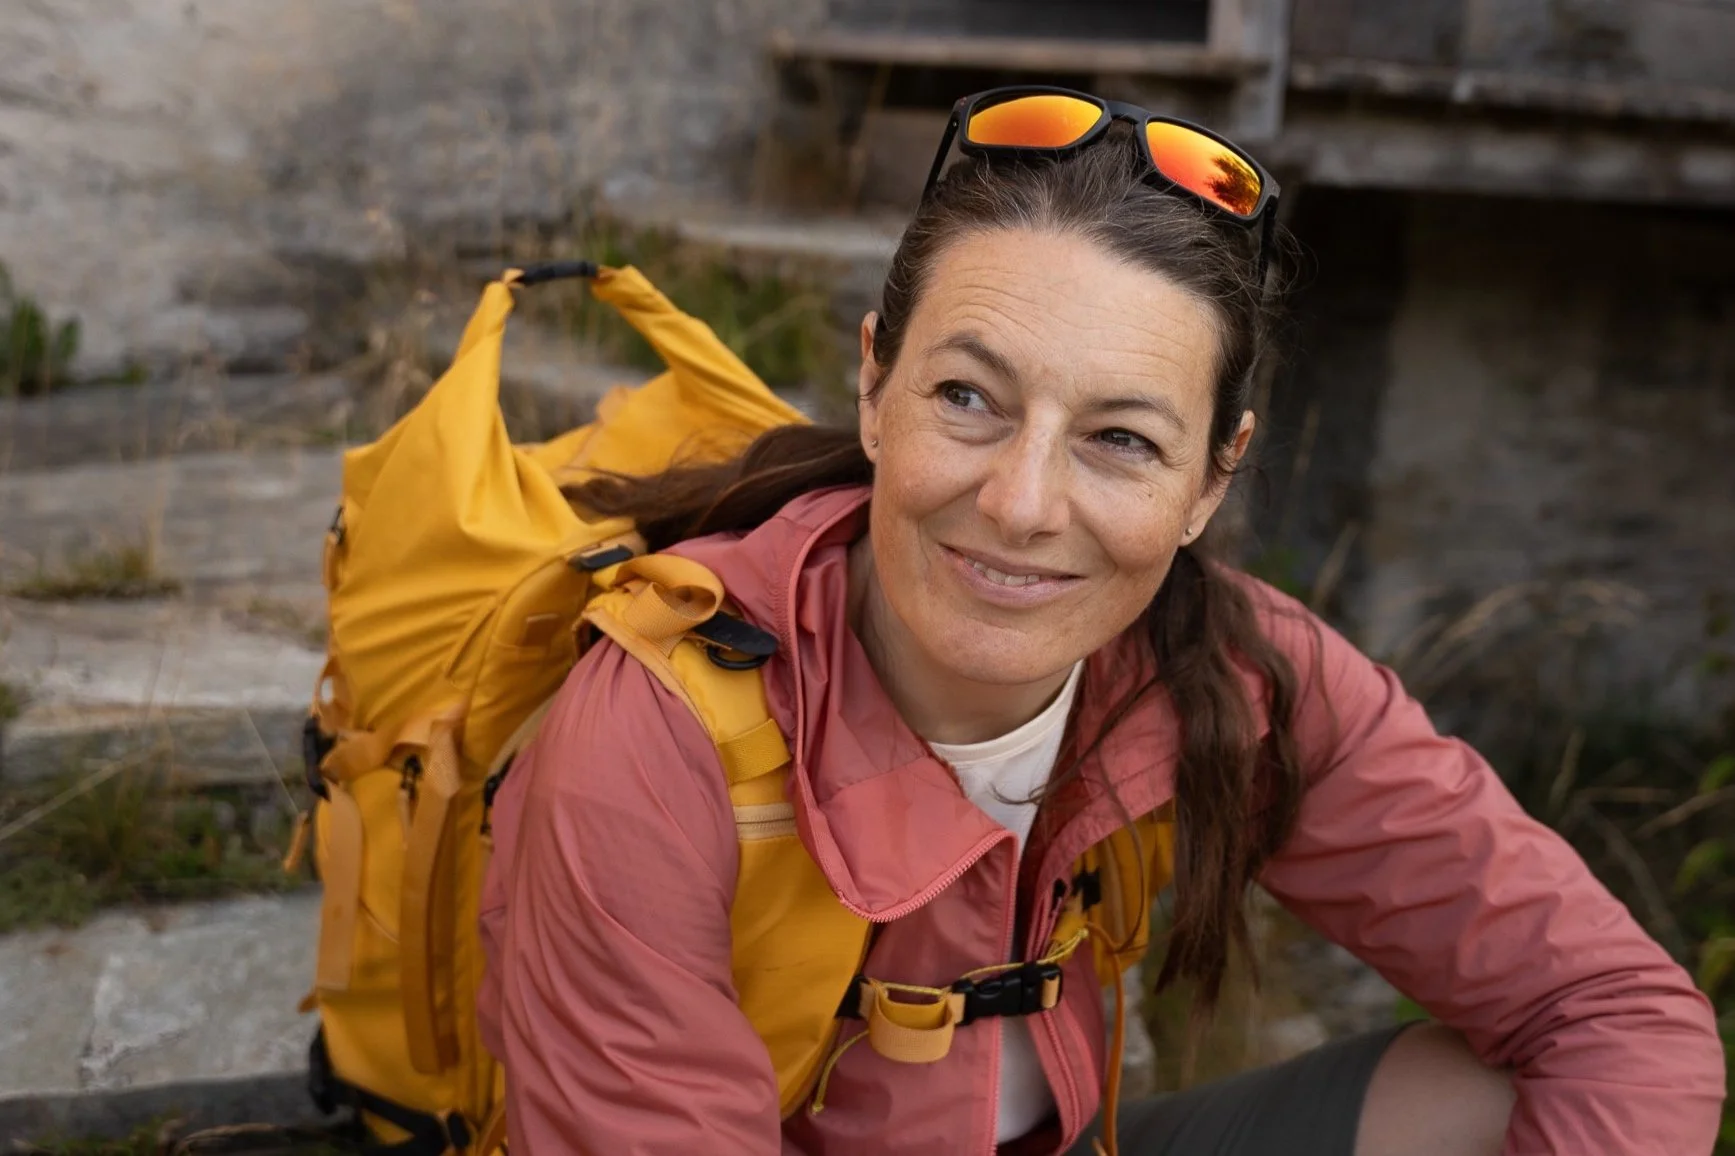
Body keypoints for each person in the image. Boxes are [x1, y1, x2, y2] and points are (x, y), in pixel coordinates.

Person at [476, 87, 1726, 1155]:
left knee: (1501, 1096)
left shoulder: (1237, 671)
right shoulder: (657, 731)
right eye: (967, 396)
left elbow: (1617, 1016)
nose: (1021, 504)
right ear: (874, 386)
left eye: (1121, 439)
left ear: (1212, 479)